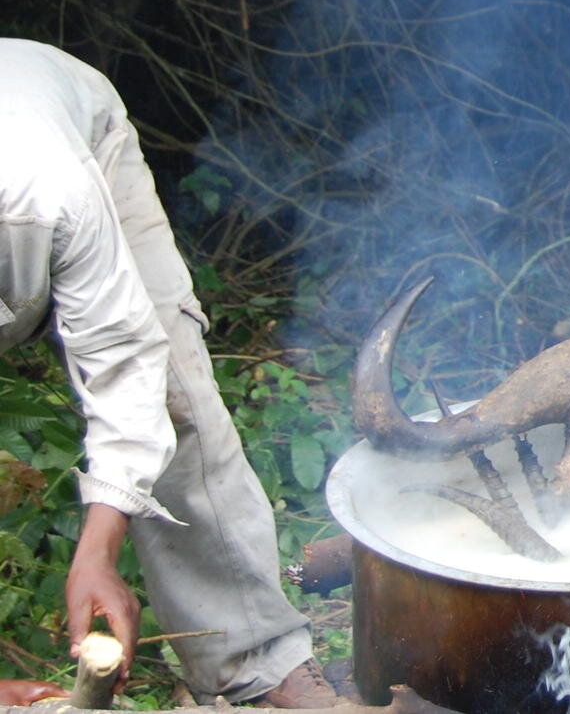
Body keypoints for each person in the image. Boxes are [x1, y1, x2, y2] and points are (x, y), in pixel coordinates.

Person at [0, 39, 336, 708]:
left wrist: (98, 549)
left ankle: (256, 662)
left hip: (77, 133)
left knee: (172, 393)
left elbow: (127, 366)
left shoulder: (48, 186)